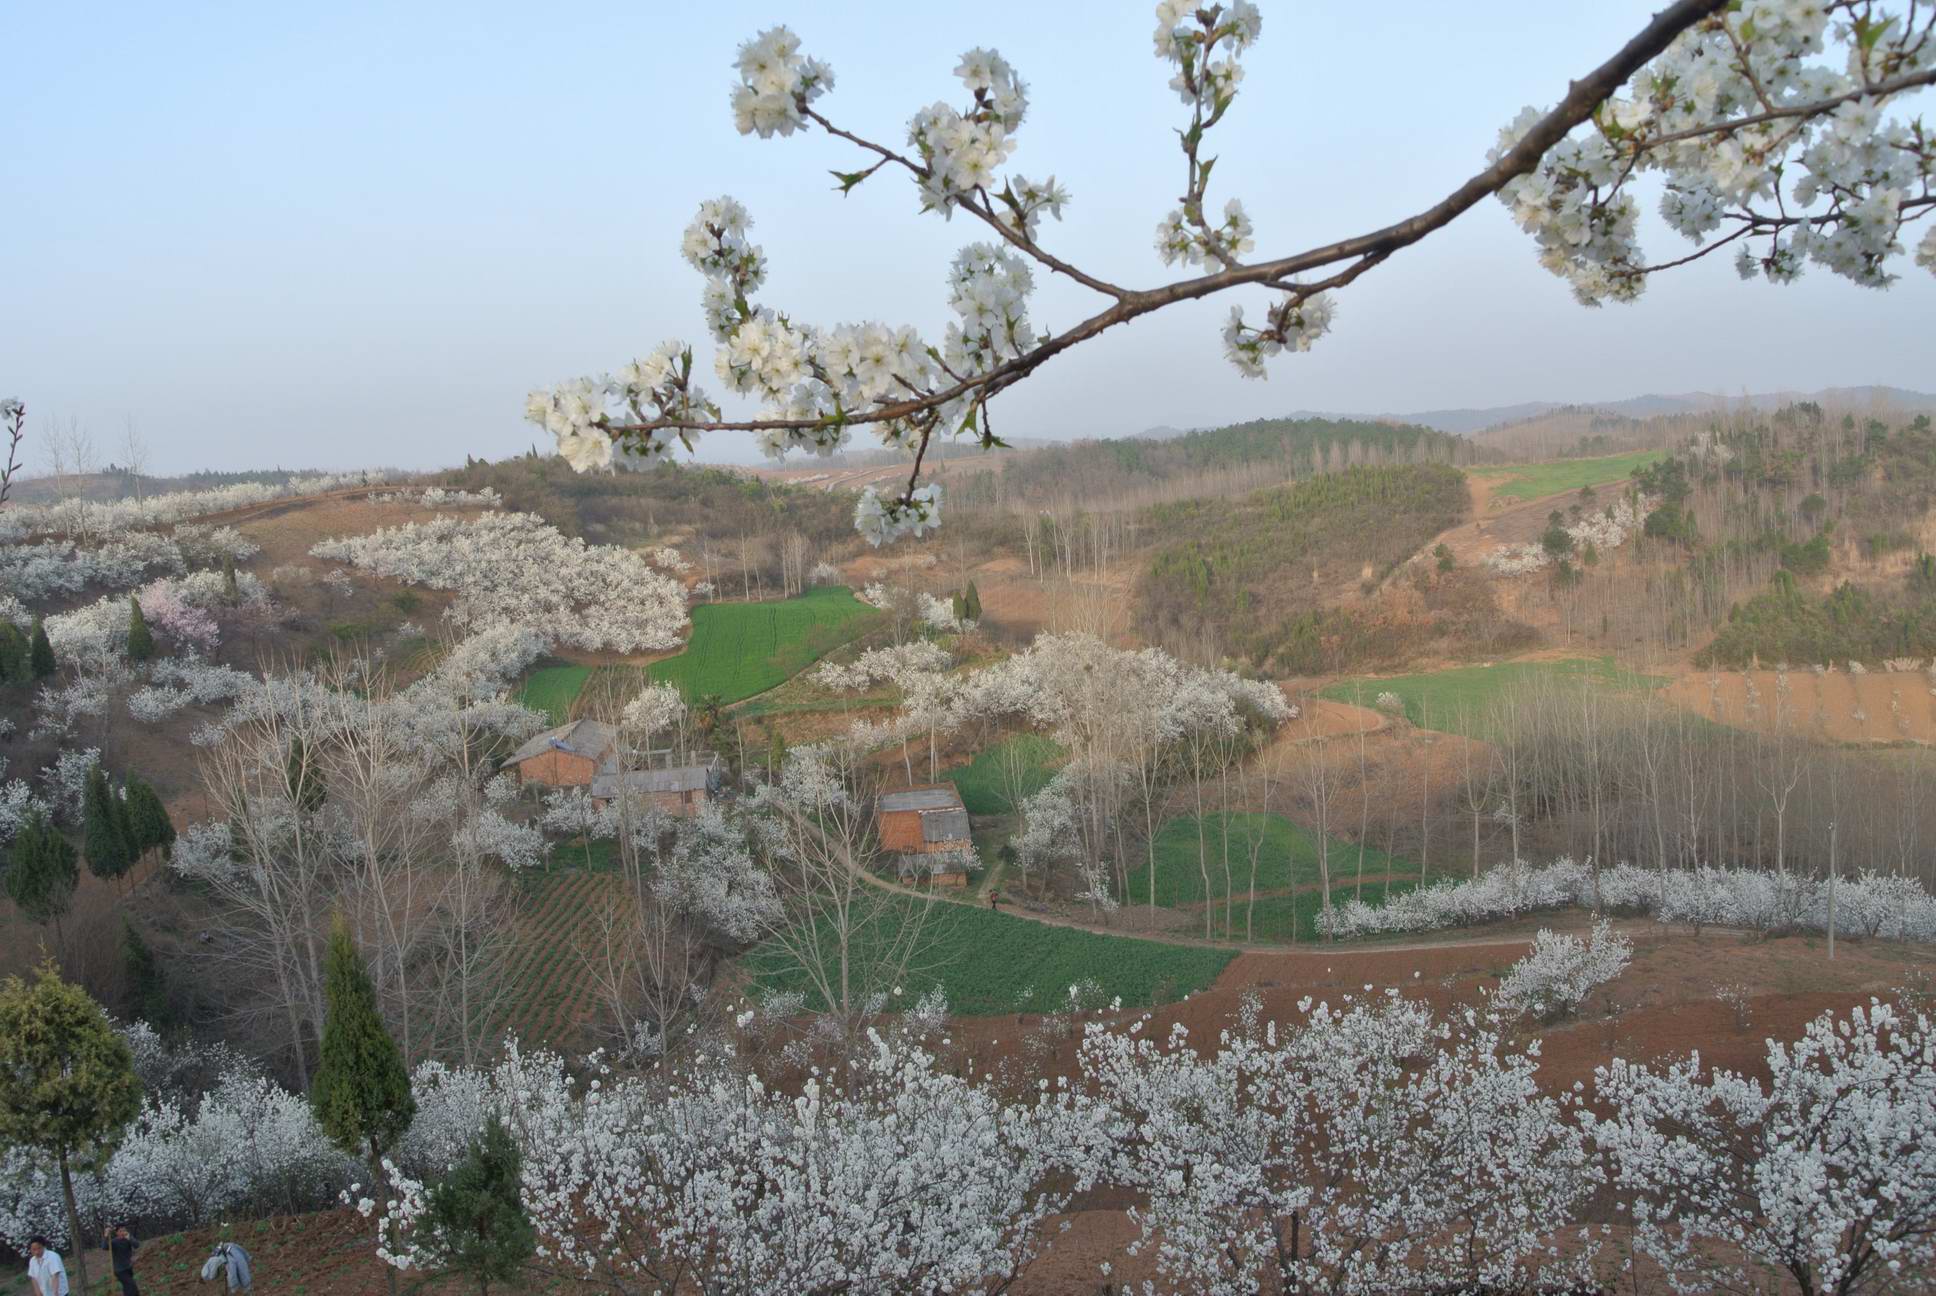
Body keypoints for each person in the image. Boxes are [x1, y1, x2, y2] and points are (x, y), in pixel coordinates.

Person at [103, 1224, 141, 1296]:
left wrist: (129, 1237)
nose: (123, 1232)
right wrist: (106, 1235)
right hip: (119, 1270)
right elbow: (104, 1247)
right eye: (121, 1231)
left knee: (128, 1287)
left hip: (128, 1268)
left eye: (124, 1230)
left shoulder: (128, 1239)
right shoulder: (114, 1242)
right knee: (131, 1285)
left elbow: (137, 1245)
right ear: (117, 1233)